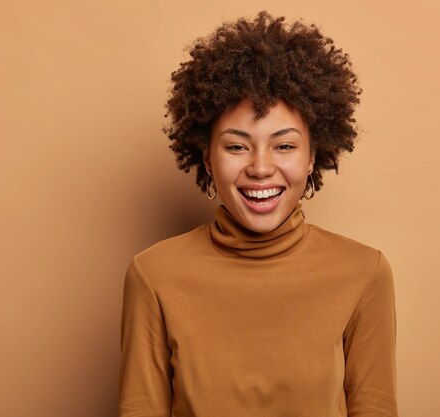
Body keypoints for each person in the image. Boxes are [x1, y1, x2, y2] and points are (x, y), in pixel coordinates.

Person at [119, 11, 398, 417]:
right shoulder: (154, 275)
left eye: (284, 146)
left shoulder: (364, 273)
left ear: (312, 158)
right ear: (207, 159)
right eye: (236, 146)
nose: (261, 167)